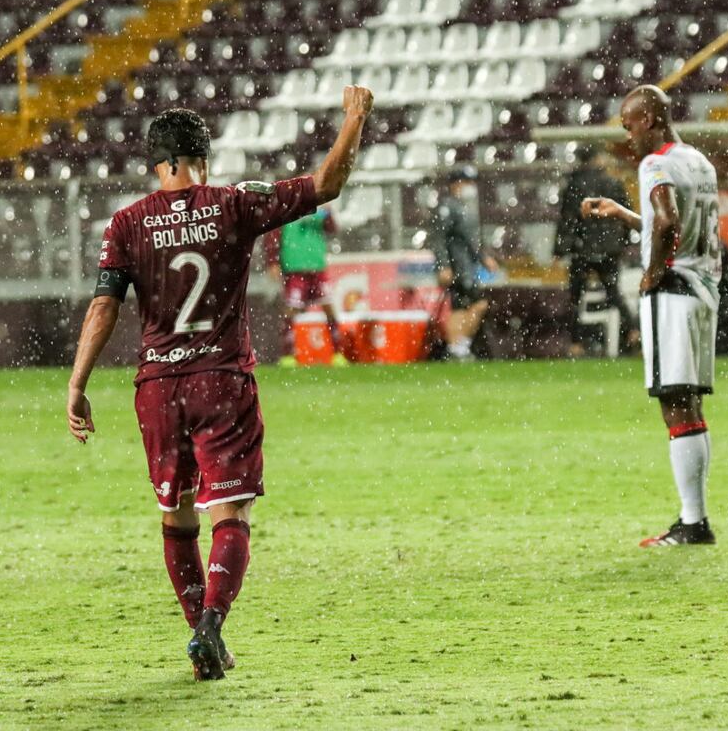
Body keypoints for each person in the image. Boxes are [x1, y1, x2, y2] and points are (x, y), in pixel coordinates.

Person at [66, 86, 373, 680]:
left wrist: (77, 382)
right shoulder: (236, 204)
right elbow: (327, 184)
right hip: (221, 379)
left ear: (159, 164)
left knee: (176, 517)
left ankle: (201, 638)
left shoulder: (126, 224)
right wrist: (354, 120)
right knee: (229, 512)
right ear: (201, 158)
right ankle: (212, 624)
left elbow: (103, 309)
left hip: (158, 387)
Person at [582, 85, 721, 548]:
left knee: (673, 403)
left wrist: (652, 274)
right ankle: (694, 519)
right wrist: (626, 215)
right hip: (702, 291)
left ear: (651, 120)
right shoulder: (698, 161)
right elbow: (683, 223)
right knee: (690, 403)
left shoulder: (655, 163)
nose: (627, 135)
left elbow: (667, 222)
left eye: (629, 124)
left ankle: (693, 522)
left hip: (673, 292)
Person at [554, 146, 634, 357]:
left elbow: (568, 220)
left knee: (576, 296)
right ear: (599, 159)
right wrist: (621, 243)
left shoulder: (574, 185)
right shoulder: (614, 183)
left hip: (583, 248)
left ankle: (576, 342)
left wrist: (560, 249)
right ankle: (632, 330)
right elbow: (625, 215)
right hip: (609, 248)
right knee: (613, 291)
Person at [432, 165, 499, 360]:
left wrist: (483, 258)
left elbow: (471, 240)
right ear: (456, 184)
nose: (471, 186)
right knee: (472, 304)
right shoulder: (448, 207)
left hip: (467, 267)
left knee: (462, 306)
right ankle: (457, 346)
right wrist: (443, 266)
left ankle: (458, 347)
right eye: (467, 182)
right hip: (458, 267)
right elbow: (439, 239)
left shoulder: (464, 207)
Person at [266, 207, 347, 367]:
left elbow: (332, 229)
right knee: (291, 309)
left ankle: (338, 354)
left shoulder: (318, 206)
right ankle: (287, 355)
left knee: (328, 307)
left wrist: (328, 212)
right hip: (295, 267)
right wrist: (272, 261)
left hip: (317, 266)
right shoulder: (287, 207)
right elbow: (273, 234)